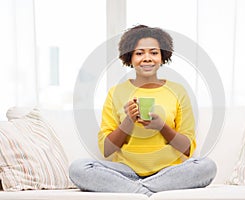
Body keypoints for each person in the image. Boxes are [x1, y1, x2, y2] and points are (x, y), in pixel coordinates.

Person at [69, 25, 217, 196]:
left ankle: (135, 191)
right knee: (79, 168)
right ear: (129, 58)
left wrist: (162, 127)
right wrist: (128, 122)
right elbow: (107, 150)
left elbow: (186, 149)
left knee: (207, 166)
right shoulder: (115, 92)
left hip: (168, 172)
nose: (147, 58)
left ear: (162, 57)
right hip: (125, 172)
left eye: (154, 53)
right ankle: (147, 191)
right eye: (139, 53)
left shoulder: (178, 91)